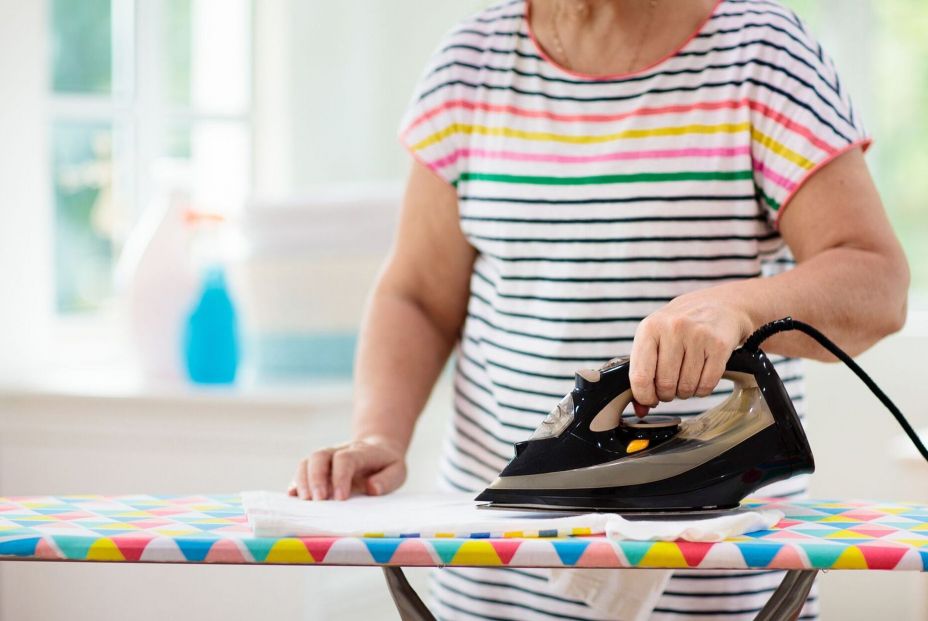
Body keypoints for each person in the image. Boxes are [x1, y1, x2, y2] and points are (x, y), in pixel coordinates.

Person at [289, 0, 910, 618]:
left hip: (718, 588)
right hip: (491, 584)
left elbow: (876, 283)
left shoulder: (762, 54)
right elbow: (418, 296)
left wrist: (734, 310)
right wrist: (380, 434)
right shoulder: (472, 61)